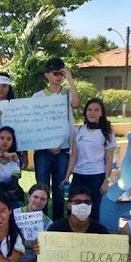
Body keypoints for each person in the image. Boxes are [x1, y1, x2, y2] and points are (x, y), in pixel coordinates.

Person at [32, 58, 80, 221]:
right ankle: (41, 223)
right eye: (55, 73)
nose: (58, 76)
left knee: (60, 190)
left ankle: (59, 224)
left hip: (63, 149)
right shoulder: (37, 97)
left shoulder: (67, 94)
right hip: (43, 150)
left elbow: (76, 104)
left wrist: (71, 80)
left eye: (61, 73)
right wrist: (48, 144)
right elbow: (34, 125)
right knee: (42, 189)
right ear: (47, 75)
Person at [64, 98, 117, 223]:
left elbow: (109, 160)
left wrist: (106, 181)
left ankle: (91, 237)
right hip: (79, 175)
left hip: (96, 176)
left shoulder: (107, 133)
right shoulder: (79, 130)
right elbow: (74, 155)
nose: (92, 113)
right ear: (85, 112)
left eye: (96, 110)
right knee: (73, 208)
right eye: (89, 110)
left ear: (102, 113)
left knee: (92, 210)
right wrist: (67, 176)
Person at [14, 184, 53, 262]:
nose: (38, 201)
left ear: (46, 202)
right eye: (35, 197)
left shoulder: (49, 223)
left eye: (43, 199)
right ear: (29, 197)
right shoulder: (13, 215)